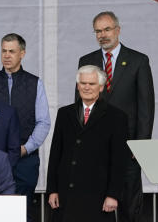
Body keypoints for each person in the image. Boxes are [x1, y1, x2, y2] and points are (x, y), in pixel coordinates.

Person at [77, 11, 155, 222]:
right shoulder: (87, 60)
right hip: (95, 147)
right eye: (98, 31)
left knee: (129, 204)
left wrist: (141, 146)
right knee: (96, 205)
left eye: (107, 29)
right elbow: (80, 106)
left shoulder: (138, 61)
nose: (103, 34)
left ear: (118, 30)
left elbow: (146, 108)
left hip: (128, 148)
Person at [48, 66, 129, 221]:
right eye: (83, 83)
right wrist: (52, 190)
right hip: (66, 195)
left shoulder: (117, 117)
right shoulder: (65, 113)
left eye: (91, 84)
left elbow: (119, 161)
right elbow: (55, 154)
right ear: (77, 86)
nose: (86, 87)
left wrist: (113, 195)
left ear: (101, 87)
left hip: (97, 198)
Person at [0, 33, 51, 222]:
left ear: (22, 54)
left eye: (12, 51)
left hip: (26, 161)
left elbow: (43, 122)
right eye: (4, 51)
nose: (7, 55)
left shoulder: (35, 83)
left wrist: (26, 148)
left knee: (24, 213)